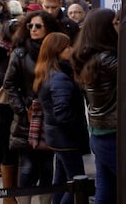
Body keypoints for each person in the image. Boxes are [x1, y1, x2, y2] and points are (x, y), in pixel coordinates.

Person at [3, 10, 61, 204]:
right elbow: (9, 84)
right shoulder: (20, 53)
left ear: (48, 28)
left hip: (50, 115)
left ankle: (45, 201)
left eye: (38, 26)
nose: (33, 30)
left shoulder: (55, 51)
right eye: (30, 26)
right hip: (28, 116)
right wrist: (20, 109)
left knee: (46, 166)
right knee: (27, 166)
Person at [32, 32, 90, 204]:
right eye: (67, 47)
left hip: (57, 137)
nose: (70, 50)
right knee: (77, 184)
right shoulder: (59, 78)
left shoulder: (49, 73)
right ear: (57, 51)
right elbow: (63, 112)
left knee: (62, 181)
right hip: (66, 138)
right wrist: (78, 129)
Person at [71, 8, 119, 204]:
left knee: (105, 192)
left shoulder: (89, 58)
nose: (119, 26)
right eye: (116, 22)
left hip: (100, 133)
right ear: (105, 28)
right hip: (113, 135)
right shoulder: (107, 59)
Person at [0, 18, 20, 204]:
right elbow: (7, 82)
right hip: (4, 110)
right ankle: (9, 197)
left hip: (16, 109)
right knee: (8, 151)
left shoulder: (22, 51)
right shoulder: (1, 54)